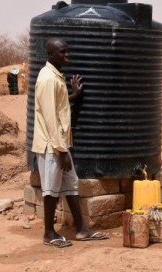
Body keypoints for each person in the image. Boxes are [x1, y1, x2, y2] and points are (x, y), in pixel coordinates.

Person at [32, 37, 108, 248]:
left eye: (67, 51)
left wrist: (73, 95)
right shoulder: (48, 79)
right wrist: (62, 151)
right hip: (52, 145)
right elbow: (49, 118)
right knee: (51, 189)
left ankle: (82, 229)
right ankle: (48, 233)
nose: (68, 55)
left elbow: (58, 106)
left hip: (60, 144)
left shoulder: (56, 77)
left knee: (71, 184)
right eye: (63, 52)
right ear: (51, 55)